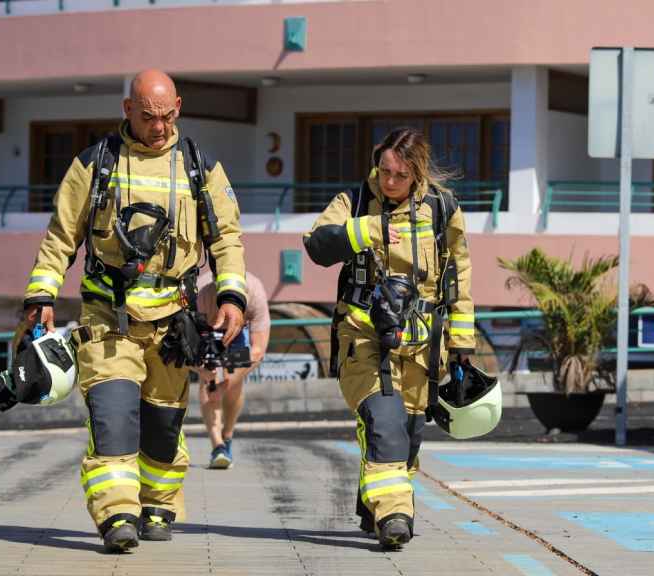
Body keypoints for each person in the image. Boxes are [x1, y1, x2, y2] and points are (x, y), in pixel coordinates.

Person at [22, 69, 247, 553]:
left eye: (167, 117)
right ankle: (116, 514)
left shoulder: (200, 169)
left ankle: (159, 505)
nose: (160, 127)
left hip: (173, 322)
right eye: (148, 117)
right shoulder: (94, 165)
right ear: (128, 111)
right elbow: (61, 238)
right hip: (109, 317)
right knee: (113, 415)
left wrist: (231, 297)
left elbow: (227, 239)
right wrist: (40, 296)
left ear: (179, 108)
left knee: (163, 424)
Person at [303, 128, 475, 550]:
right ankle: (396, 513)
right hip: (362, 336)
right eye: (383, 171)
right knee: (385, 422)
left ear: (416, 173)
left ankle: (374, 506)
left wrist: (462, 343)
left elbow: (460, 277)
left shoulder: (443, 209)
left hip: (421, 346)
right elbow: (317, 246)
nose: (389, 181)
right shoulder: (354, 201)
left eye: (399, 174)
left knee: (410, 434)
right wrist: (369, 230)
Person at [194, 271, 270, 469]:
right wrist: (205, 370)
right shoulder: (201, 292)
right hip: (209, 326)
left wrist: (227, 377)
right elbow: (191, 350)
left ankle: (227, 435)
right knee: (208, 380)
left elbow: (258, 351)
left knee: (232, 385)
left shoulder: (255, 292)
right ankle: (217, 444)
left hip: (239, 329)